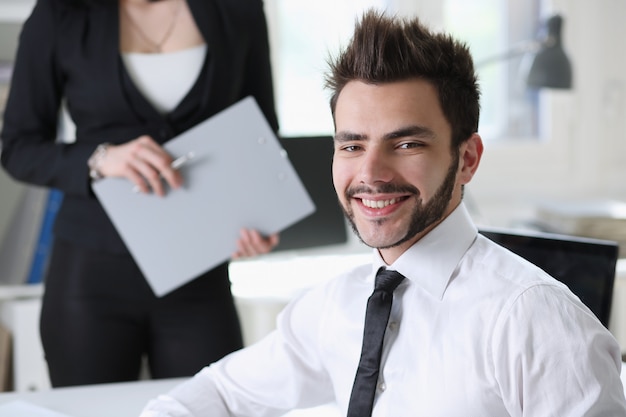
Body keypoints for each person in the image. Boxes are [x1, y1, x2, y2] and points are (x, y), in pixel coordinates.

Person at [137, 8, 626, 416]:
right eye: (352, 145)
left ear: (467, 159)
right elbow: (221, 393)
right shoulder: (336, 304)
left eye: (407, 142)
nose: (370, 172)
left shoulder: (534, 320)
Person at [0, 0, 280, 387]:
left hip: (199, 272)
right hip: (91, 275)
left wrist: (255, 218)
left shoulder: (238, 8)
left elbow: (260, 134)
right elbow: (18, 148)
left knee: (213, 408)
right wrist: (100, 159)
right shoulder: (59, 13)